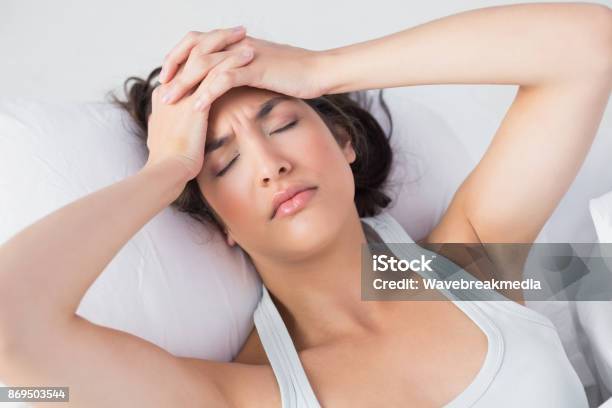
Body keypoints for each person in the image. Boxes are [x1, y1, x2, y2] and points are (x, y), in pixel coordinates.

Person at [0, 2, 610, 407]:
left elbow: (590, 45)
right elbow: (12, 329)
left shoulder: (472, 262)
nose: (270, 165)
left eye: (284, 122)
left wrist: (323, 68)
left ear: (343, 141)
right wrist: (166, 171)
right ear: (222, 225)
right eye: (224, 163)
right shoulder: (247, 394)